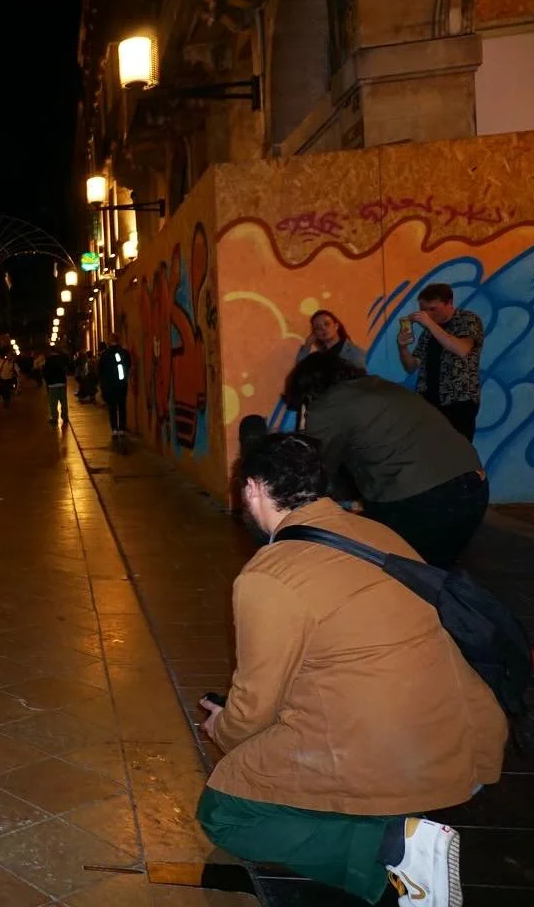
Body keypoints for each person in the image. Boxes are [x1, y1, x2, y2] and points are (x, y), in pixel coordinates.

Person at [198, 433, 505, 907]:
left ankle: (393, 853)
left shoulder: (269, 575)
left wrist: (224, 727)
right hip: (459, 743)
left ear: (254, 489)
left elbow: (253, 707)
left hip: (391, 754)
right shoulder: (378, 532)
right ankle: (397, 827)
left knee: (226, 812)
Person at [284, 352, 488, 569]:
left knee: (389, 571)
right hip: (474, 486)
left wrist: (305, 424)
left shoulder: (327, 405)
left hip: (423, 497)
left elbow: (311, 472)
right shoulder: (383, 388)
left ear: (306, 391)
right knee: (434, 574)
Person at [398, 283, 485, 441]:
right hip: (429, 400)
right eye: (424, 310)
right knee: (431, 453)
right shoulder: (428, 332)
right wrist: (402, 347)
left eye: (433, 309)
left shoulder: (467, 319)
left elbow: (462, 349)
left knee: (459, 455)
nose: (428, 314)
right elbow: (411, 367)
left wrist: (429, 324)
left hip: (458, 399)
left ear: (449, 303)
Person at [294, 309, 367, 371]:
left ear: (336, 326)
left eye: (327, 324)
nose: (323, 329)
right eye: (318, 327)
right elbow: (301, 369)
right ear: (316, 334)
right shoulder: (319, 358)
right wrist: (307, 345)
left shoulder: (353, 352)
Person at [97, 339, 132, 437]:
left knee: (112, 408)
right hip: (122, 385)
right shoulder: (124, 352)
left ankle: (114, 429)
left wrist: (103, 386)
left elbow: (101, 372)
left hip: (110, 385)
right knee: (121, 406)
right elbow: (129, 365)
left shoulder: (105, 355)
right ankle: (122, 428)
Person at [42, 348, 71, 425]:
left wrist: (47, 382)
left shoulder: (49, 361)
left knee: (53, 402)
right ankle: (65, 417)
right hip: (62, 382)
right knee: (63, 401)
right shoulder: (63, 359)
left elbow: (45, 373)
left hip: (52, 384)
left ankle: (54, 418)